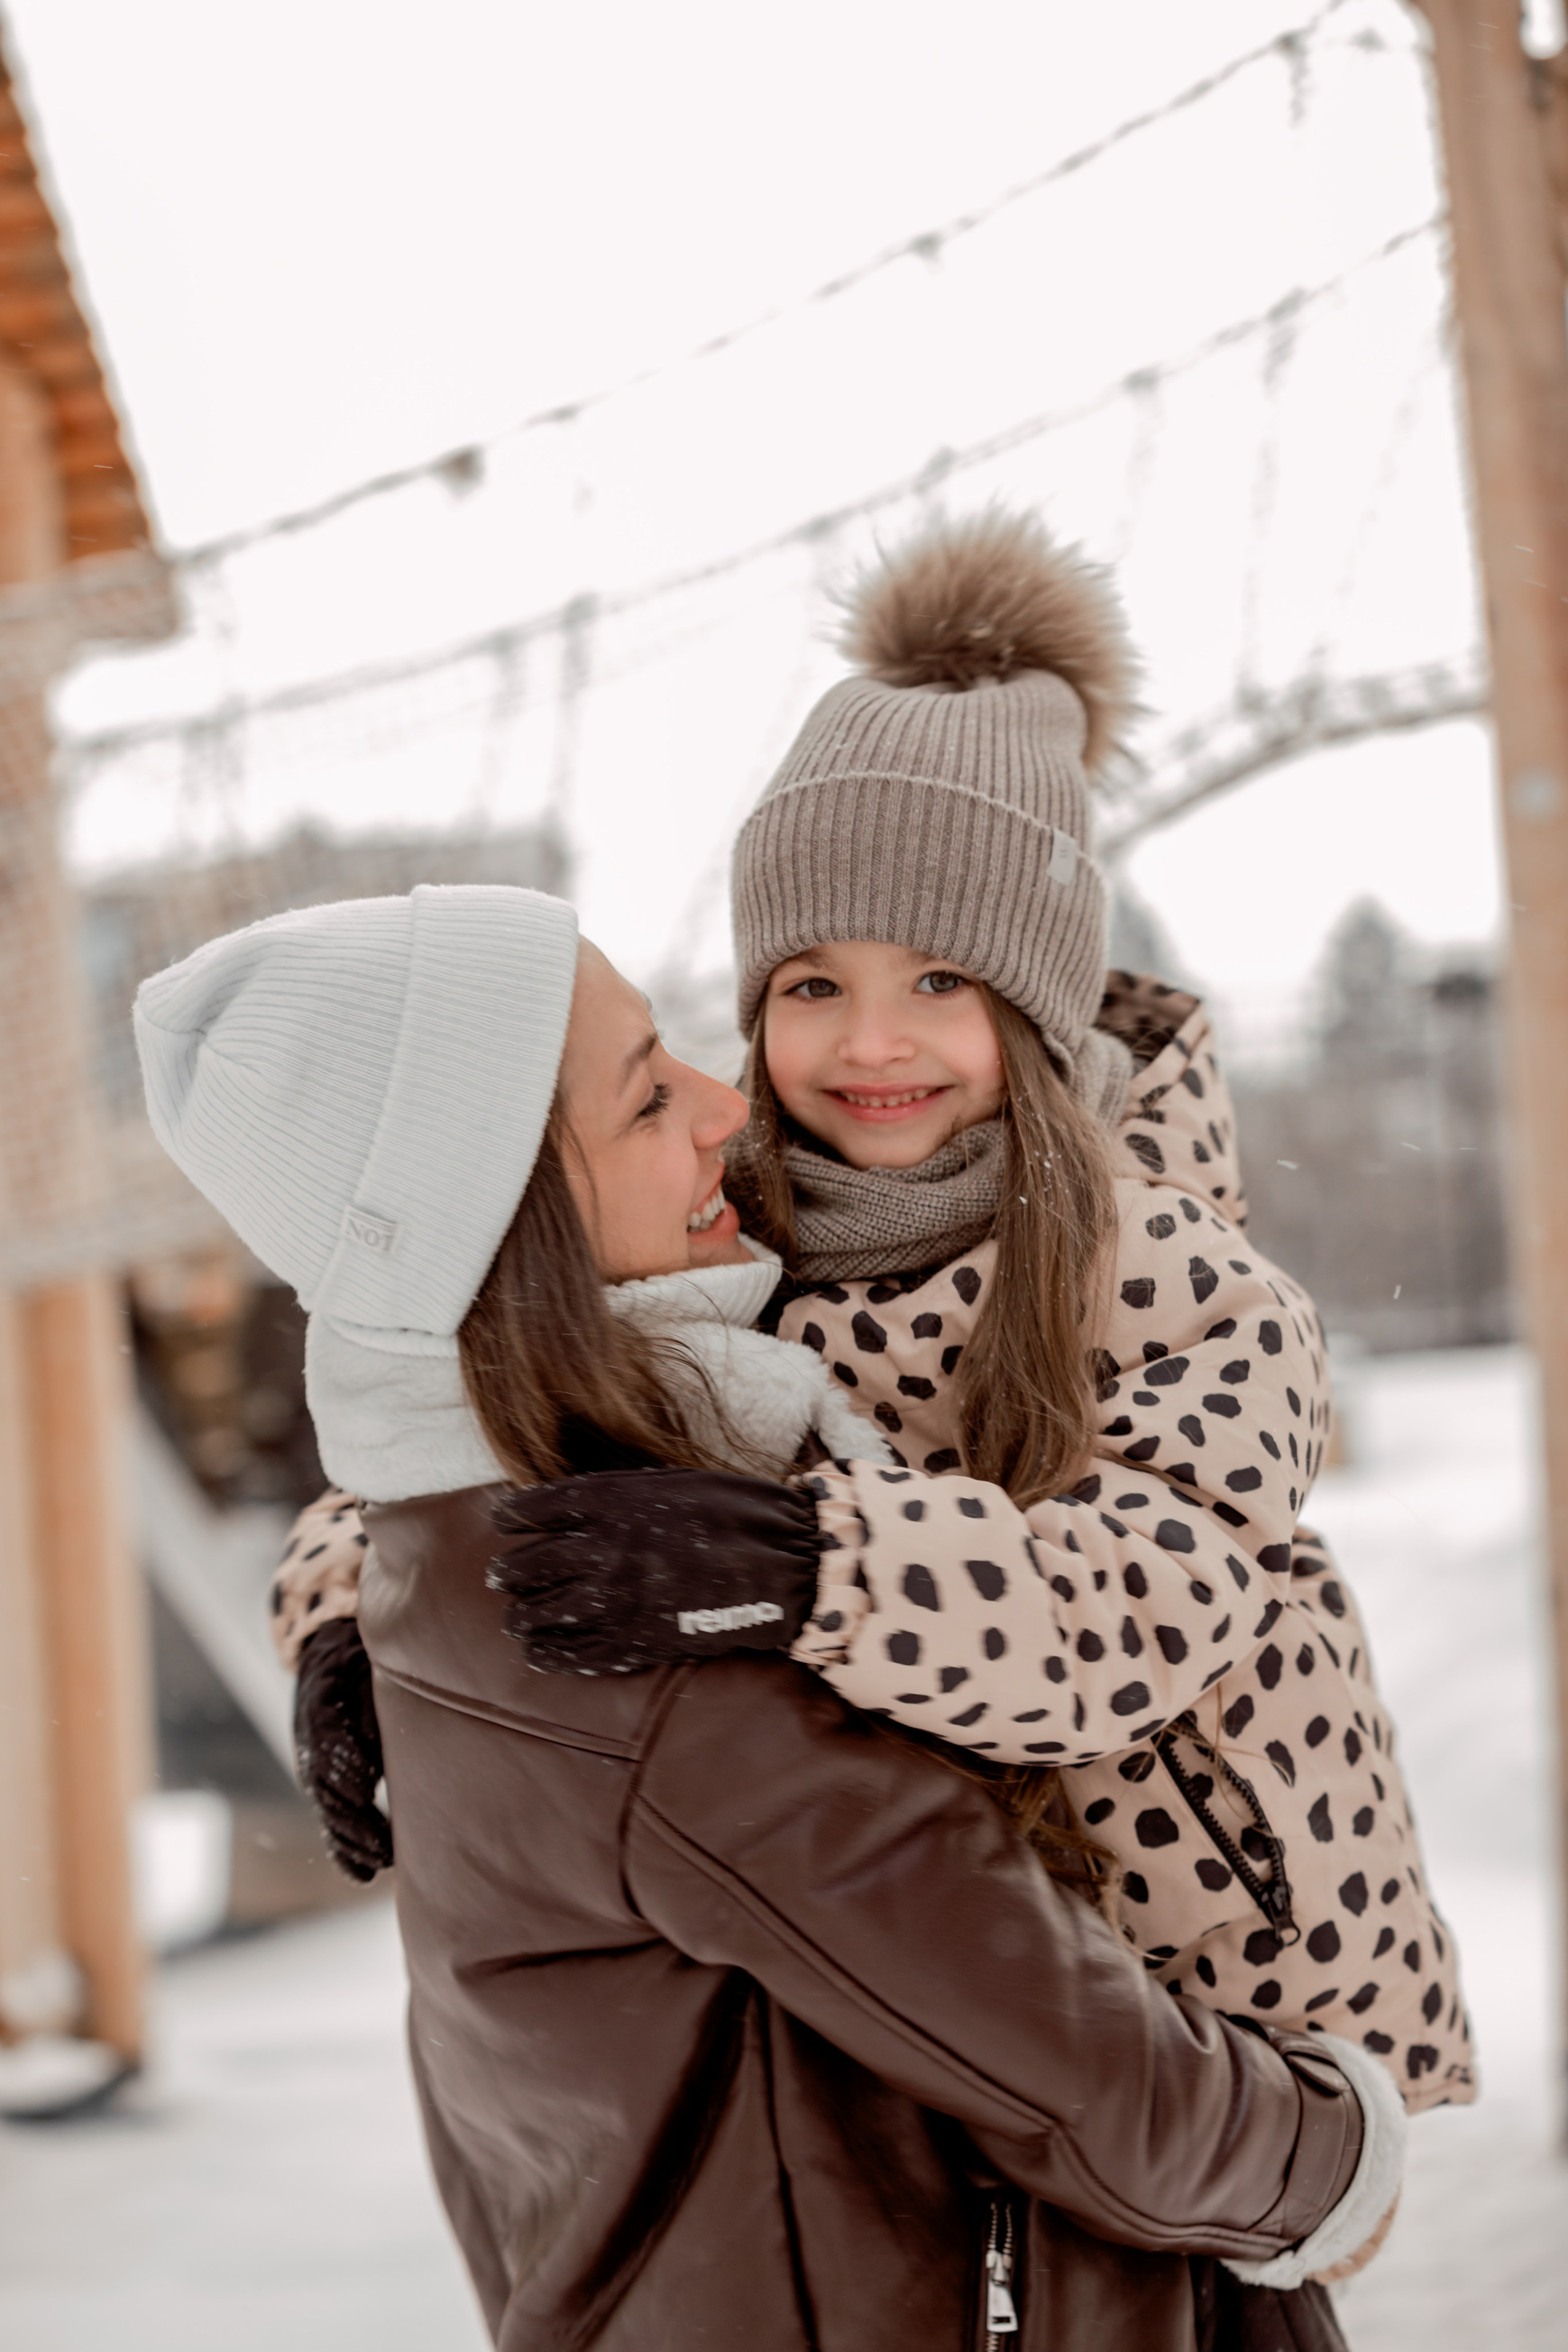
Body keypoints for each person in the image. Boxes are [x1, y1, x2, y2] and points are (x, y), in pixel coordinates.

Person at [278, 514, 1471, 2123]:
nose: (870, 1044)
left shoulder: (1194, 1293)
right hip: (948, 2013)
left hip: (1248, 2009)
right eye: (811, 985)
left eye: (941, 981)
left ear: (1034, 1001)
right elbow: (476, 1416)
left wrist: (817, 1572)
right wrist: (350, 1612)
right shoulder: (724, 1237)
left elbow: (1138, 1610)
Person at [135, 883, 1402, 2348]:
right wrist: (1328, 2157)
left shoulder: (473, 1549)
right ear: (501, 1221)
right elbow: (1091, 2078)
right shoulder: (643, 1628)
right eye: (638, 1102)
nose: (721, 1106)